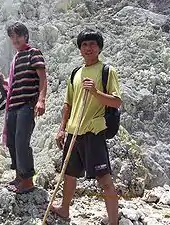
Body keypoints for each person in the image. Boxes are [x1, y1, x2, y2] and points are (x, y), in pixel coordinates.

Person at [52, 29, 121, 225]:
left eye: (92, 44)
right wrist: (62, 128)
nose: (88, 48)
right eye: (84, 45)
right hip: (74, 131)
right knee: (69, 174)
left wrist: (95, 92)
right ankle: (64, 209)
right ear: (80, 49)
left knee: (104, 179)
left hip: (93, 132)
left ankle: (114, 221)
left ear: (99, 48)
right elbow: (68, 104)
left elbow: (116, 102)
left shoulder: (106, 71)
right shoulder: (76, 73)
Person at [0, 22, 47, 194]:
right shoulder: (16, 58)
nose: (15, 39)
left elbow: (42, 78)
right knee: (12, 142)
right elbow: (13, 85)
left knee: (21, 142)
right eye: (12, 36)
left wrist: (41, 100)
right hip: (12, 107)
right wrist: (3, 82)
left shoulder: (34, 53)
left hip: (26, 106)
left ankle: (28, 181)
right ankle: (19, 176)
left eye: (18, 35)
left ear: (25, 36)